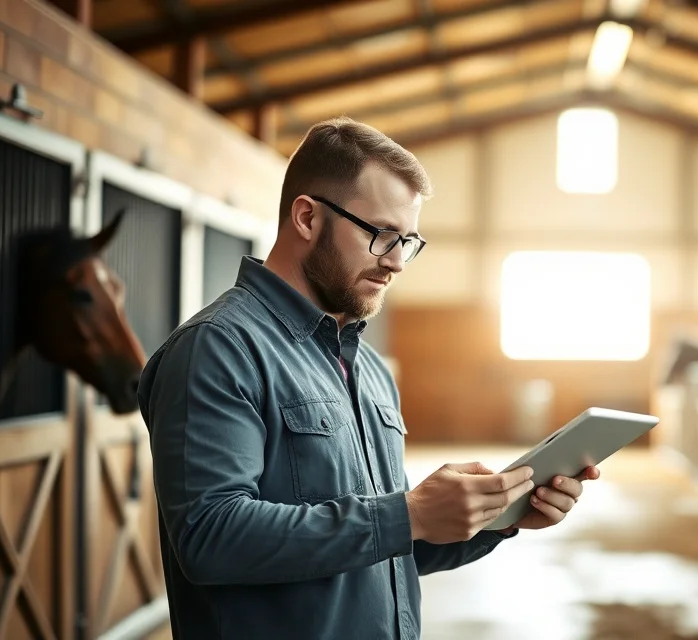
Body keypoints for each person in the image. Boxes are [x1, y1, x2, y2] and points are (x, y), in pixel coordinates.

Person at [137, 116, 600, 639]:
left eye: (409, 241)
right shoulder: (218, 349)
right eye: (382, 235)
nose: (398, 262)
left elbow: (382, 547)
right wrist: (410, 515)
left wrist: (500, 516)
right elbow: (210, 537)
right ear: (308, 218)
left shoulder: (368, 367)